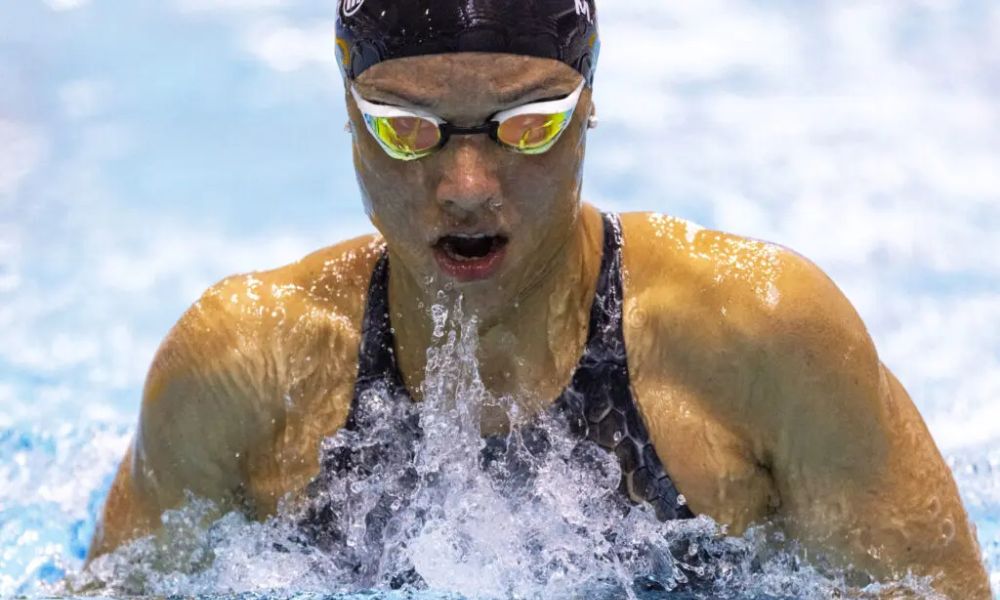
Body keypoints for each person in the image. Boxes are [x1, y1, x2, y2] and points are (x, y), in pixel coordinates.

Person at [87, 0, 990, 597]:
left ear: (591, 101)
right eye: (408, 131)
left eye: (530, 125)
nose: (469, 183)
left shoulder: (758, 341)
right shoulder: (243, 370)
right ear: (349, 116)